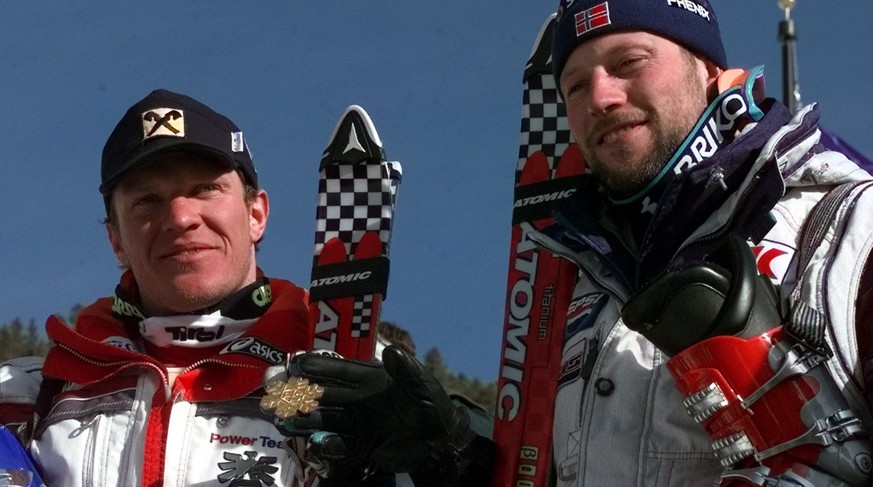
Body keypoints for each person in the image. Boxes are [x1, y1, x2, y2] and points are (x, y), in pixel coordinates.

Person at [277, 0, 873, 485]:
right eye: (575, 87)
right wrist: (453, 452)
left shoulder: (846, 224)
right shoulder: (580, 282)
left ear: (713, 73)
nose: (602, 99)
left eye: (630, 61)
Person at [0, 89, 317, 486]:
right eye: (147, 200)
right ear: (116, 241)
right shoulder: (24, 397)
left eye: (205, 189)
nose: (180, 217)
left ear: (256, 214)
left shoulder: (339, 370)